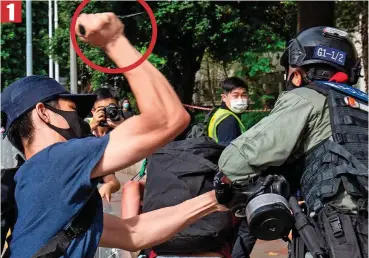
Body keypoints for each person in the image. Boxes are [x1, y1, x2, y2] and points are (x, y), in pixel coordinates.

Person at [0, 13, 227, 257]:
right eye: (72, 110)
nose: (79, 121)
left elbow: (133, 234)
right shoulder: (55, 160)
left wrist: (216, 199)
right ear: (44, 113)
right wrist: (114, 40)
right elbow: (169, 119)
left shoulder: (35, 181)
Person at [216, 26, 367, 258]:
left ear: (296, 74)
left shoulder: (307, 98)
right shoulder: (363, 105)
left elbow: (237, 162)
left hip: (345, 232)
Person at [86, 88, 122, 201]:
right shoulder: (84, 124)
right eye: (103, 109)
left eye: (112, 109)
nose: (108, 113)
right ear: (93, 111)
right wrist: (92, 126)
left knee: (113, 182)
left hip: (105, 170)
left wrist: (123, 127)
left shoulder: (119, 129)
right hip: (85, 169)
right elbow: (72, 142)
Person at [207, 77, 248, 146]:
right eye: (235, 95)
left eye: (244, 95)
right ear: (224, 98)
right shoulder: (228, 120)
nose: (240, 100)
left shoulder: (220, 112)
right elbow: (227, 152)